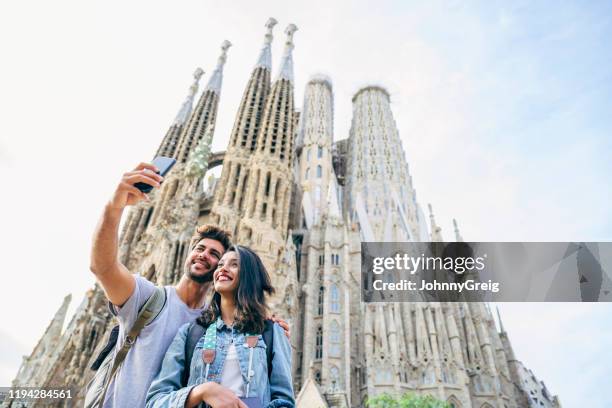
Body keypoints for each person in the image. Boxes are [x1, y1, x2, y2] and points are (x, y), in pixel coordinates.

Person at [90, 163, 289, 407]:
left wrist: (266, 323)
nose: (204, 255)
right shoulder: (149, 298)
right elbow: (103, 267)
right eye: (199, 248)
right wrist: (114, 206)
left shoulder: (209, 327)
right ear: (187, 253)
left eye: (215, 254)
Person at [146, 245, 295, 408]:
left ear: (250, 275)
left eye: (234, 264)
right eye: (220, 265)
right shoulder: (191, 333)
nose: (223, 269)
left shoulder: (272, 332)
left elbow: (284, 401)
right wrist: (202, 391)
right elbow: (156, 401)